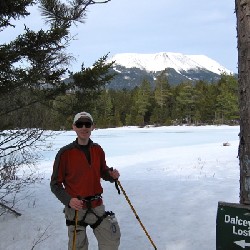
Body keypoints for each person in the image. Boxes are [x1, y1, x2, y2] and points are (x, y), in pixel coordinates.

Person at [50, 111, 121, 250]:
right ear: (74, 127)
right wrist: (68, 200)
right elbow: (55, 184)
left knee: (111, 241)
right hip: (75, 208)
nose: (84, 127)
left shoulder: (98, 150)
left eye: (87, 124)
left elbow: (102, 171)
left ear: (92, 127)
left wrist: (111, 175)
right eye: (79, 124)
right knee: (78, 247)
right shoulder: (65, 153)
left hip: (96, 204)